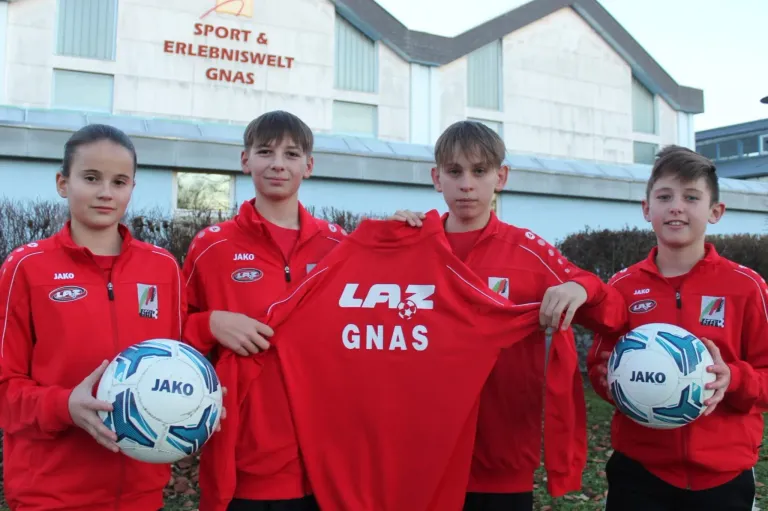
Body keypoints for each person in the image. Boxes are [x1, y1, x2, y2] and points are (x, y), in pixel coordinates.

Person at [391, 120, 628, 511]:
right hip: (421, 453)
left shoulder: (527, 251)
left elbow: (614, 316)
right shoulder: (409, 245)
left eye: (479, 171)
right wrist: (385, 239)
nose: (467, 184)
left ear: (500, 176)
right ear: (436, 178)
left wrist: (583, 288)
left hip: (501, 462)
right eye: (455, 172)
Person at [0, 124, 186, 511]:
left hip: (140, 493)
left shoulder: (163, 267)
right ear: (62, 183)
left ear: (132, 188)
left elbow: (177, 365)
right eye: (90, 178)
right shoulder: (27, 267)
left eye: (119, 181)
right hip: (50, 494)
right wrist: (64, 406)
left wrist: (198, 402)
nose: (105, 192)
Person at [587, 145, 766, 511]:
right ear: (646, 209)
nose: (676, 206)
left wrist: (732, 379)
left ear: (715, 212)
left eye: (691, 197)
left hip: (724, 475)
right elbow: (599, 365)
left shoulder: (747, 287)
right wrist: (616, 384)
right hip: (640, 472)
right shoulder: (621, 287)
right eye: (664, 196)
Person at [183, 110, 344, 511]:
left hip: (326, 458)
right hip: (245, 460)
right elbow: (171, 334)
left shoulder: (339, 247)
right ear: (245, 160)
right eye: (265, 151)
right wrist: (210, 323)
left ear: (308, 166)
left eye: (291, 154)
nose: (277, 163)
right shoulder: (211, 246)